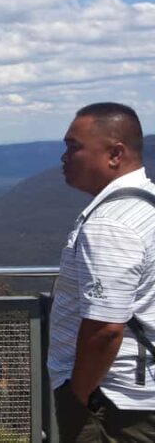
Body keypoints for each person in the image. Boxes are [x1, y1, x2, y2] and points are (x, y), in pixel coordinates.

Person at [49, 102, 155, 442]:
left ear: (114, 154)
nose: (64, 158)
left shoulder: (110, 224)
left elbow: (106, 329)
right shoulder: (147, 203)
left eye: (73, 147)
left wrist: (78, 398)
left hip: (113, 404)